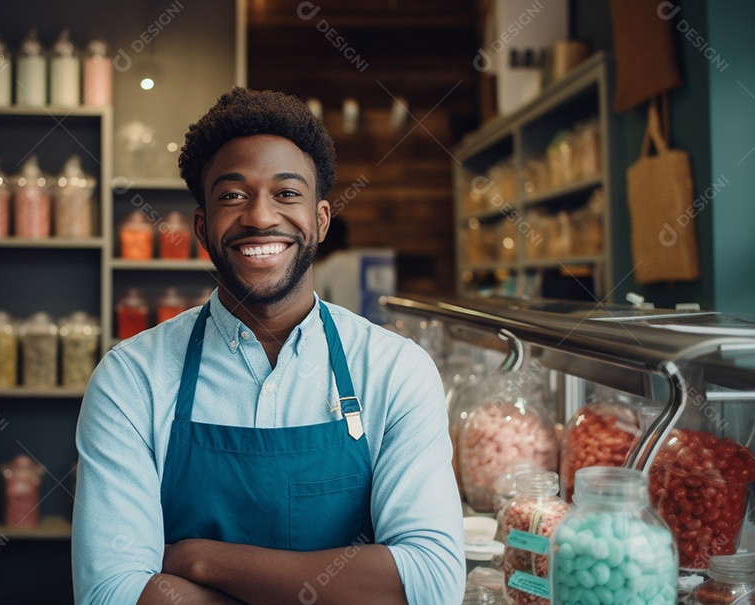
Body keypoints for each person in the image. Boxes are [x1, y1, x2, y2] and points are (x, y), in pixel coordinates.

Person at [72, 88, 464, 605]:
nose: (259, 217)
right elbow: (111, 593)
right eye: (232, 195)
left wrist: (197, 559)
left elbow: (432, 582)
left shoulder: (396, 370)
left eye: (286, 193)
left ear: (321, 219)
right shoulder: (130, 379)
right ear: (201, 225)